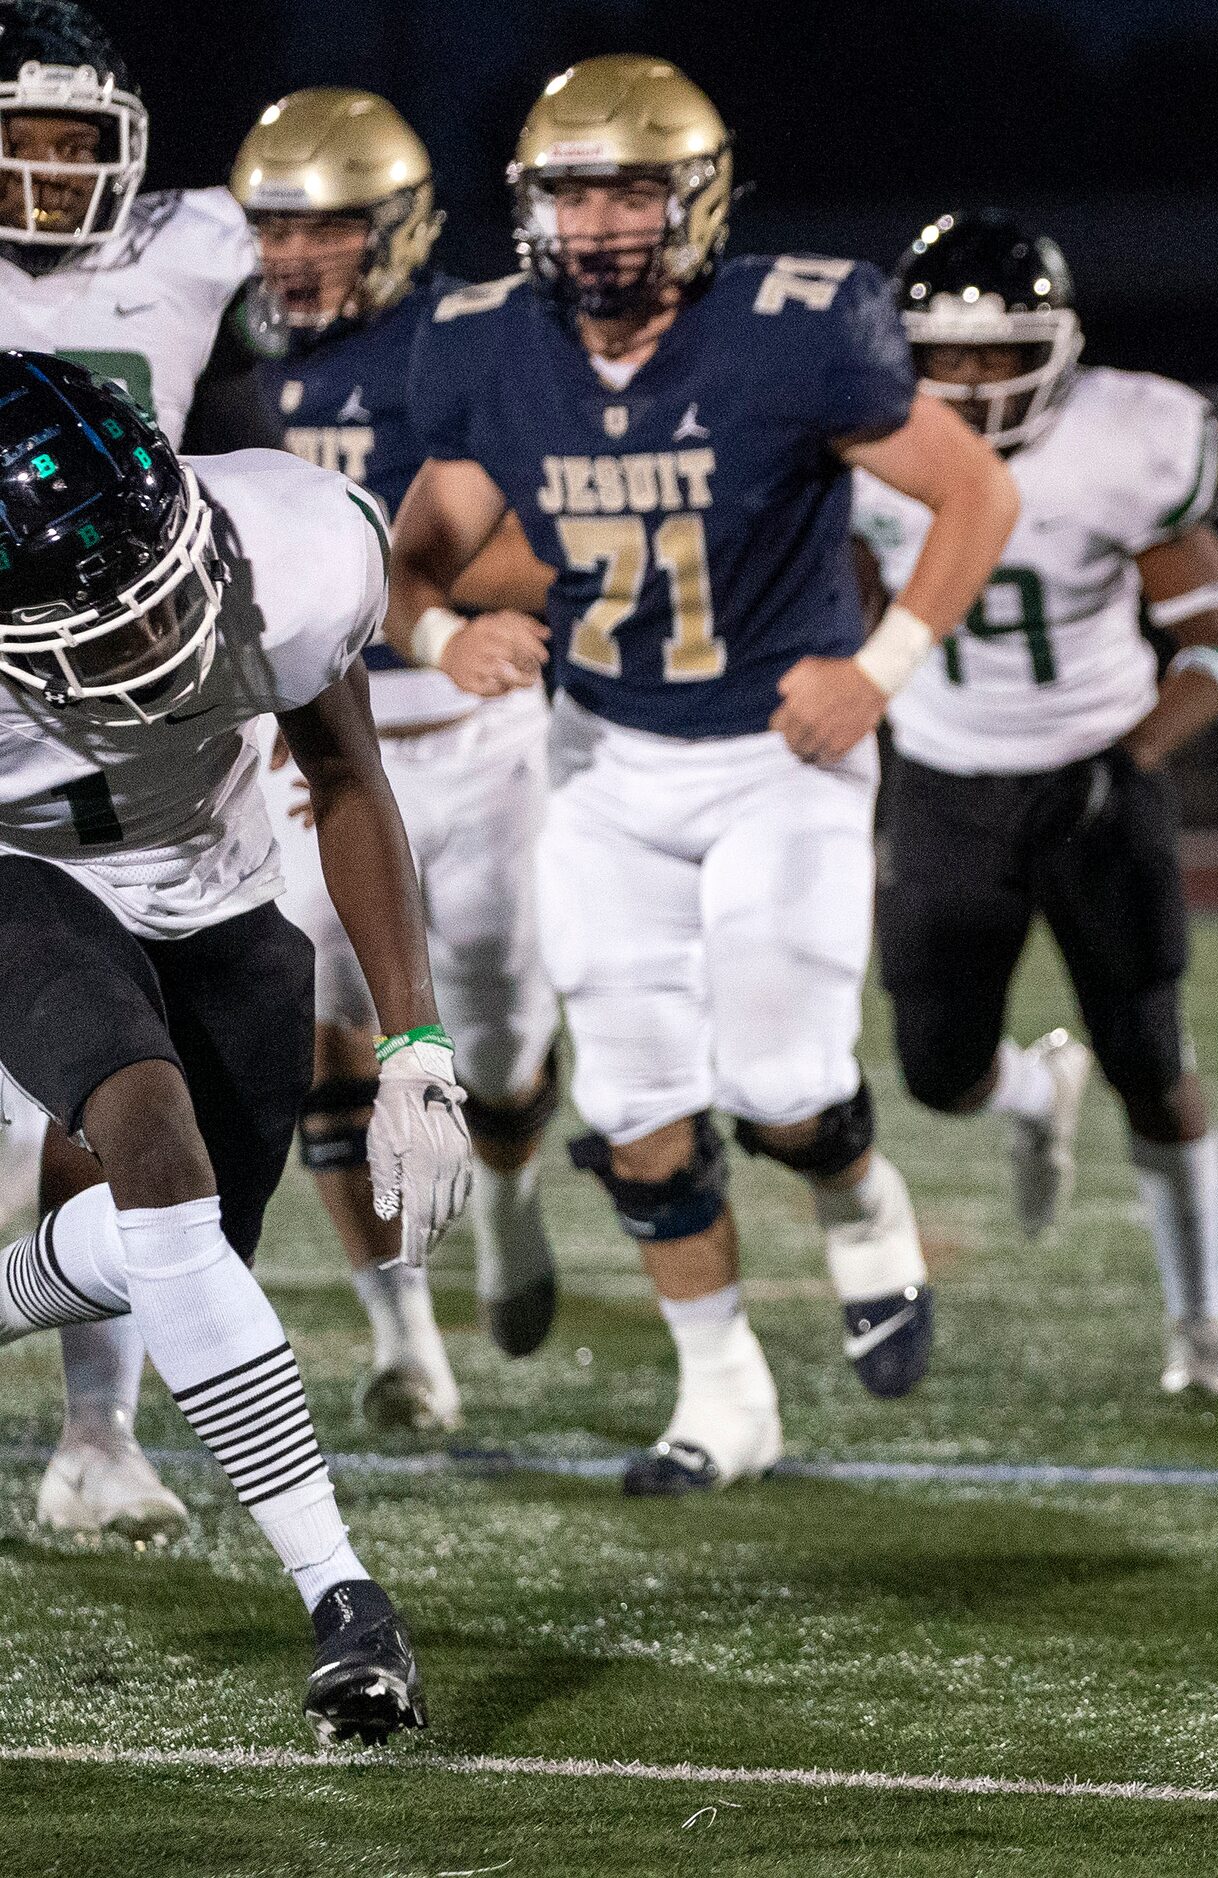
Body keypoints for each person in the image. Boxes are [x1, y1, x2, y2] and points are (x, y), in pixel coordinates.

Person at [385, 57, 1018, 1494]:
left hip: (777, 755)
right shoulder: (492, 345)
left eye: (630, 191)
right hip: (604, 760)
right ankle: (723, 1392)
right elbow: (414, 552)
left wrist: (882, 666)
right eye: (570, 193)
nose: (600, 225)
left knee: (786, 1075)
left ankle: (862, 1197)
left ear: (697, 202)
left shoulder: (795, 332)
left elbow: (976, 490)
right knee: (633, 1101)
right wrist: (439, 627)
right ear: (528, 208)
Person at [0, 350, 465, 1741]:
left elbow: (346, 777)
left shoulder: (302, 543)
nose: (147, 644)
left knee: (182, 1249)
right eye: (101, 624)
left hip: (229, 906)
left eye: (156, 591)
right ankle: (344, 1598)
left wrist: (415, 1044)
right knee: (151, 1146)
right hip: (26, 873)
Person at [852, 210, 1218, 1394]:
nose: (973, 385)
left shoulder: (1123, 441)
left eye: (998, 354)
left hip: (1093, 775)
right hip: (940, 773)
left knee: (1150, 1055)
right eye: (949, 356)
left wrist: (1126, 762)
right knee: (933, 1070)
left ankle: (1201, 1321)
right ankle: (1036, 1090)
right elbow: (855, 602)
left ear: (1060, 347)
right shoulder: (864, 443)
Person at [233, 86, 565, 1431]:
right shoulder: (212, 350)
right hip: (291, 740)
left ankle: (515, 1199)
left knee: (490, 1043)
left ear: (403, 227)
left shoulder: (481, 342)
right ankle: (403, 1338)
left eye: (334, 228)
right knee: (325, 1042)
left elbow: (564, 538)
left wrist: (417, 598)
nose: (299, 255)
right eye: (276, 227)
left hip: (465, 742)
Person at [0, 0, 284, 1547]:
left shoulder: (193, 255)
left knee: (147, 1126)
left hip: (135, 707)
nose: (49, 176)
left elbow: (248, 462)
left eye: (76, 145)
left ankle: (99, 1434)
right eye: (21, 142)